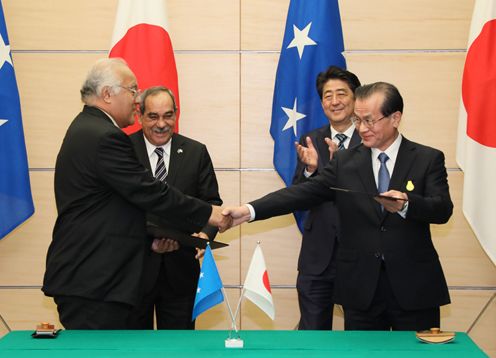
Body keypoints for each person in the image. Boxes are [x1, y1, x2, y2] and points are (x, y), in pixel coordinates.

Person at [224, 82, 453, 331]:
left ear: (395, 118)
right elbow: (301, 193)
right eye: (357, 120)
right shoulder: (346, 162)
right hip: (361, 290)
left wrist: (408, 205)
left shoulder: (427, 158)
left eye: (369, 120)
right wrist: (249, 211)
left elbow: (442, 209)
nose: (362, 129)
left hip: (414, 289)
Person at [42, 58, 230, 330]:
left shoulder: (86, 128)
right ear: (107, 94)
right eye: (132, 90)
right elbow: (149, 192)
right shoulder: (105, 136)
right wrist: (209, 213)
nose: (137, 97)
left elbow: (116, 210)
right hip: (95, 282)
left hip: (97, 280)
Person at [127, 86, 222, 330]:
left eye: (168, 115)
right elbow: (113, 209)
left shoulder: (195, 152)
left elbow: (212, 203)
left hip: (181, 271)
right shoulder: (123, 151)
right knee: (134, 348)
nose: (161, 124)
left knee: (180, 350)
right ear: (139, 115)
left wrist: (204, 235)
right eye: (153, 116)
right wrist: (148, 242)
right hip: (133, 272)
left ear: (176, 114)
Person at [292, 66, 361, 330]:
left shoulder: (370, 140)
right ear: (321, 103)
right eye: (328, 95)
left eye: (341, 94)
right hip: (317, 255)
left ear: (355, 99)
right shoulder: (311, 140)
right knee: (313, 337)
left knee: (360, 338)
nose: (335, 101)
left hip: (360, 254)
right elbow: (297, 197)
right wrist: (310, 170)